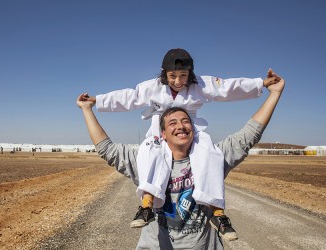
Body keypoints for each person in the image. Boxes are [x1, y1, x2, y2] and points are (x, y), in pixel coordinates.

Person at [84, 48, 279, 240]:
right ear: (164, 74)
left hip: (192, 130)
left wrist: (260, 83)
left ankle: (218, 214)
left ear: (190, 73)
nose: (178, 82)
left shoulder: (201, 84)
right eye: (172, 76)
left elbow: (227, 88)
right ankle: (146, 206)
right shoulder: (152, 87)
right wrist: (98, 101)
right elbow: (129, 97)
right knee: (149, 153)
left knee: (210, 154)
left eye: (183, 75)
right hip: (159, 132)